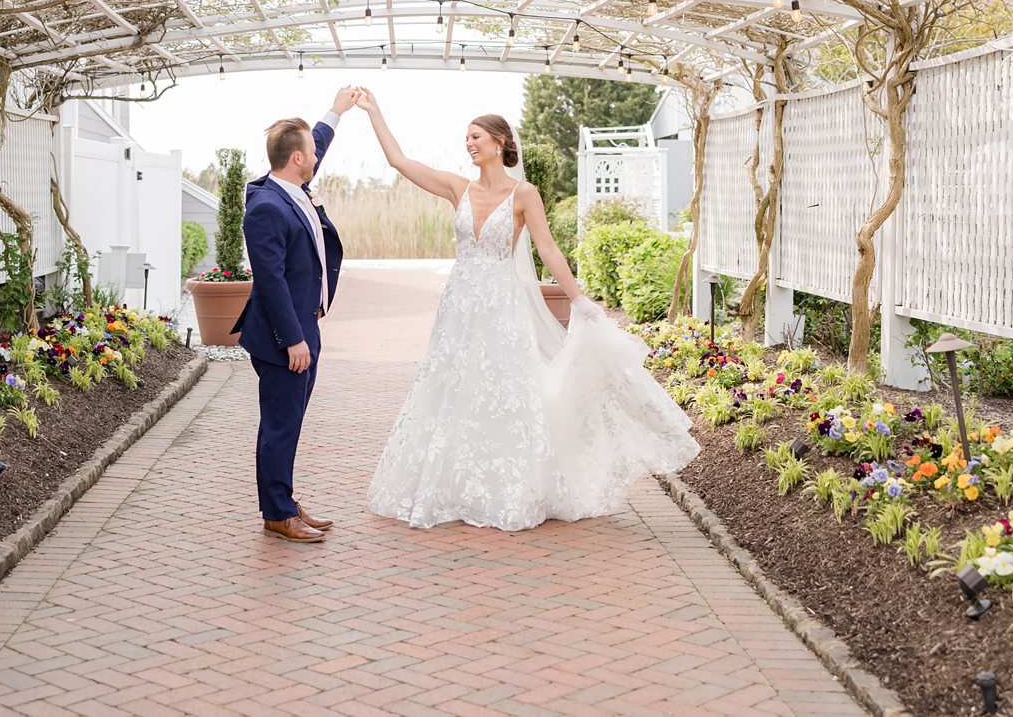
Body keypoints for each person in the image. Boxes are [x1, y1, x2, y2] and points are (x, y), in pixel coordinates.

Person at [354, 87, 699, 531]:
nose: (469, 143)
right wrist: (374, 111)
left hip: (501, 305)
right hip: (459, 304)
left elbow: (548, 249)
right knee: (453, 385)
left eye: (476, 136)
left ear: (499, 142)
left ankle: (513, 486)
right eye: (467, 138)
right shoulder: (456, 187)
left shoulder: (524, 194)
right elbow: (400, 162)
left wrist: (577, 299)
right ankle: (456, 484)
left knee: (504, 390)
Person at [231, 87, 358, 543]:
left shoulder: (292, 185)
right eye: (311, 152)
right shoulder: (266, 207)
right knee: (280, 425)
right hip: (284, 337)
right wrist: (293, 339)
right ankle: (277, 513)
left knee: (292, 421)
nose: (316, 156)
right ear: (298, 160)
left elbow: (315, 141)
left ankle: (283, 498)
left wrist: (336, 112)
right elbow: (271, 281)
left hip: (306, 325)